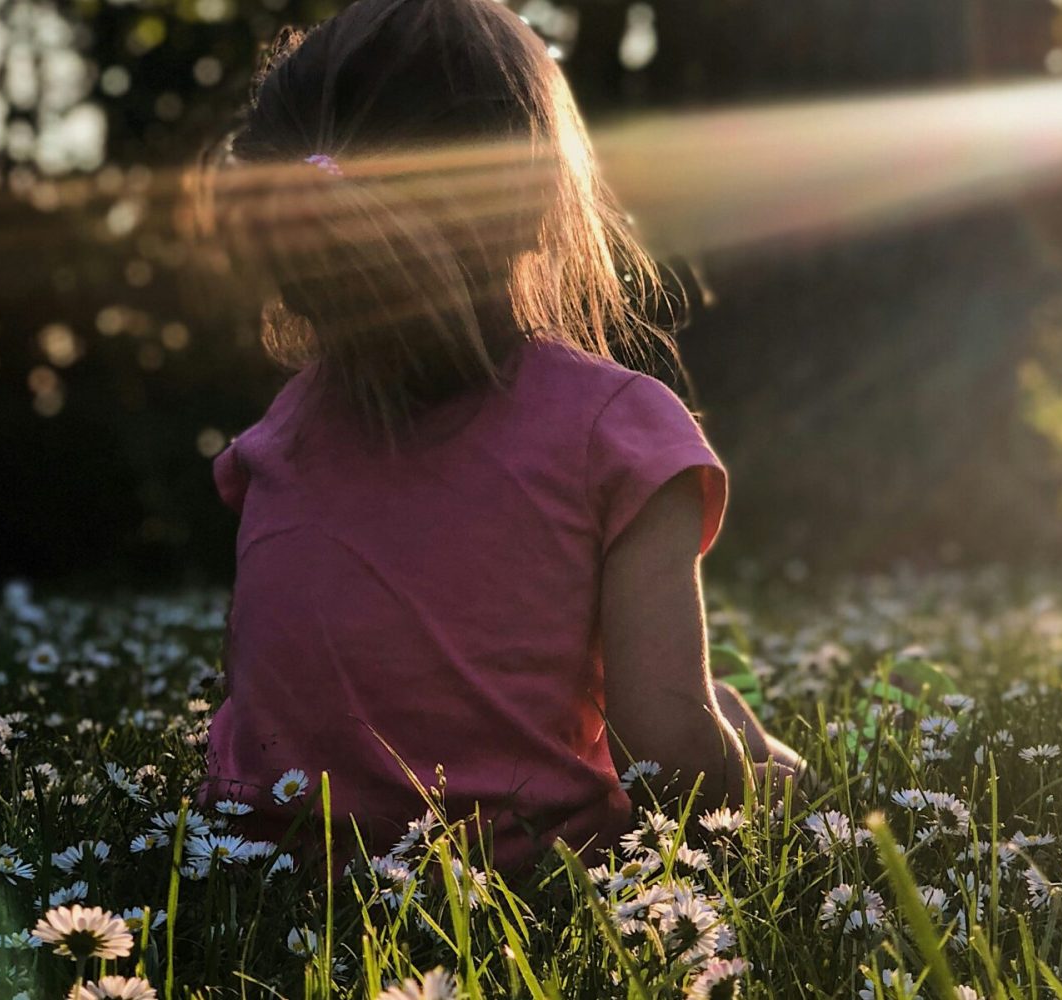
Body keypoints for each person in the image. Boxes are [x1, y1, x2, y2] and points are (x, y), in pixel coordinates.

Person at [196, 0, 798, 870]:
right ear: (532, 200)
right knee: (726, 729)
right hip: (523, 878)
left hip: (274, 867)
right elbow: (667, 756)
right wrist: (775, 784)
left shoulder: (277, 438)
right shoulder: (617, 431)